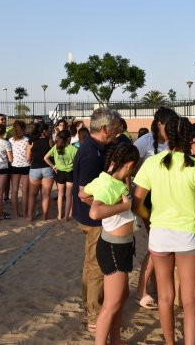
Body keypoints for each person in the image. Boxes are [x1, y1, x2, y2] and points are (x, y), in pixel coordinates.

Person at [132, 116, 195, 345]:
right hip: (188, 237)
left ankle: (170, 342)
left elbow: (136, 203)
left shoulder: (152, 163)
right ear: (188, 137)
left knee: (165, 297)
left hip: (160, 235)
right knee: (191, 298)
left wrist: (150, 217)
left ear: (166, 135)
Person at [72, 107, 125, 333]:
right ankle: (94, 313)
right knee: (95, 267)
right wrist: (110, 205)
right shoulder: (90, 153)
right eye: (114, 128)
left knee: (90, 263)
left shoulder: (98, 148)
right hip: (92, 219)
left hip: (90, 217)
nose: (116, 132)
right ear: (104, 128)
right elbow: (84, 193)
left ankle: (89, 307)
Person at [82, 142, 140, 345]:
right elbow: (95, 212)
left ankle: (116, 340)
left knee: (120, 297)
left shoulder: (106, 179)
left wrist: (113, 204)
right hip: (114, 247)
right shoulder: (110, 184)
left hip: (119, 245)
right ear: (130, 164)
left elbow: (84, 195)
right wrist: (123, 205)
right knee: (111, 303)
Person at [133, 107, 179, 309]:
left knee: (163, 246)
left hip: (169, 198)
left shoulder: (174, 141)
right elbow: (129, 164)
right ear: (159, 124)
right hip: (149, 198)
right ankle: (142, 290)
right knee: (157, 245)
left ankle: (154, 285)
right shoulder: (144, 142)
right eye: (169, 124)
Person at [44, 129, 77, 220]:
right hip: (70, 173)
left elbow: (45, 158)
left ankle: (59, 215)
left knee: (60, 195)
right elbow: (78, 161)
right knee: (69, 195)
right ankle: (66, 216)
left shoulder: (56, 147)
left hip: (59, 173)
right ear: (68, 138)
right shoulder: (73, 148)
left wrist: (53, 166)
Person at [27, 122, 54, 221]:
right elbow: (53, 155)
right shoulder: (50, 141)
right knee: (46, 194)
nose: (48, 132)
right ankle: (45, 217)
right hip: (47, 169)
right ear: (44, 131)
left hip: (35, 169)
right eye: (47, 130)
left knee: (32, 195)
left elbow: (28, 158)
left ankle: (30, 216)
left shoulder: (31, 142)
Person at [9, 120, 30, 219]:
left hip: (14, 166)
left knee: (14, 190)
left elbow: (9, 155)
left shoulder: (10, 140)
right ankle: (25, 213)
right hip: (26, 166)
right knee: (25, 191)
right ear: (24, 129)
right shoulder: (27, 140)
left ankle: (16, 213)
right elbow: (29, 156)